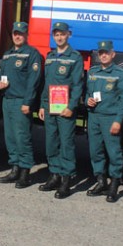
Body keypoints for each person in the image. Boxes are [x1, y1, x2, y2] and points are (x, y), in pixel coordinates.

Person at [37, 22, 84, 199]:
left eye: (62, 34)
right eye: (56, 34)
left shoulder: (75, 57)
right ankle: (54, 174)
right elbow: (46, 83)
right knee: (51, 142)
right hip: (49, 106)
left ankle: (66, 179)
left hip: (65, 108)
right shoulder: (50, 56)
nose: (59, 37)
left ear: (68, 35)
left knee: (66, 143)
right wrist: (42, 104)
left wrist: (71, 107)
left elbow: (78, 85)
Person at [0, 22, 43, 188]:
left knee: (22, 137)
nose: (17, 36)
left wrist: (28, 102)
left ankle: (25, 173)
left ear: (26, 35)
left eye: (20, 33)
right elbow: (0, 74)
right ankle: (14, 168)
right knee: (10, 137)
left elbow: (33, 81)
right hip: (7, 100)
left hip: (21, 101)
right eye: (15, 33)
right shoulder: (7, 55)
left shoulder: (32, 54)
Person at [85, 40, 123, 202]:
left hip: (110, 117)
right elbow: (87, 94)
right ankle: (101, 181)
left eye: (106, 53)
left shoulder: (119, 73)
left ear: (113, 54)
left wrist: (118, 120)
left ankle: (114, 184)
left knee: (113, 152)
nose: (103, 55)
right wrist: (87, 101)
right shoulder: (92, 72)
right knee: (95, 151)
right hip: (94, 116)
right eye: (101, 52)